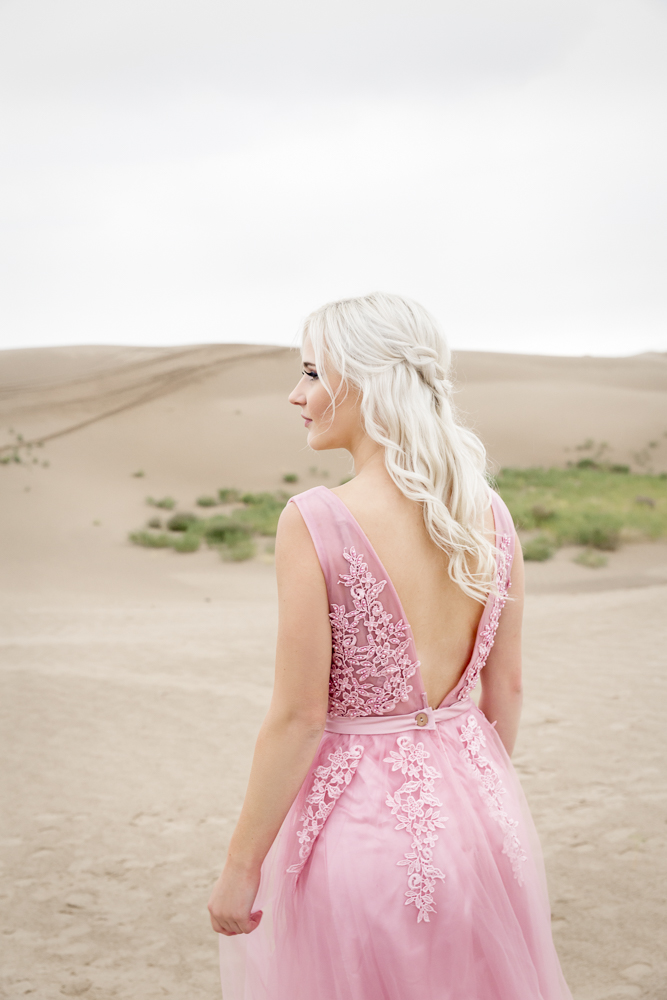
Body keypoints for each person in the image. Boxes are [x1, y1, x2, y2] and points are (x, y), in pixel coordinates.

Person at [208, 292, 572, 1000]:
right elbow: (507, 691)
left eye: (312, 373)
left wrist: (241, 865)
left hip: (360, 840)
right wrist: (465, 801)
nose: (296, 394)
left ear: (365, 379)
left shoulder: (315, 519)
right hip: (484, 832)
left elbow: (298, 717)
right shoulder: (487, 515)